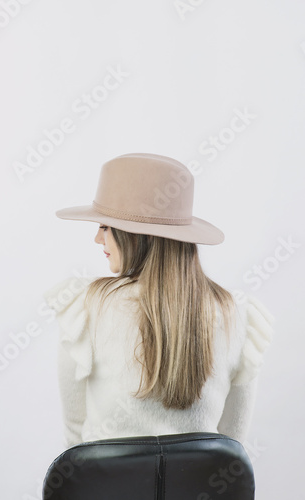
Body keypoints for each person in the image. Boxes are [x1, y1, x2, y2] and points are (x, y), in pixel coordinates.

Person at [43, 152, 274, 449]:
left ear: (136, 235)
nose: (98, 239)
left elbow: (76, 446)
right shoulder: (237, 314)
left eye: (105, 226)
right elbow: (231, 445)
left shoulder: (85, 306)